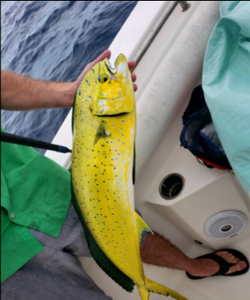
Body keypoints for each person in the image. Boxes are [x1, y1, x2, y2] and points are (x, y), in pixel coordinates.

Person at [1, 50, 248, 300]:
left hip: (31, 184)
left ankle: (194, 267)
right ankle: (147, 282)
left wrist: (70, 94)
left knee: (132, 233)